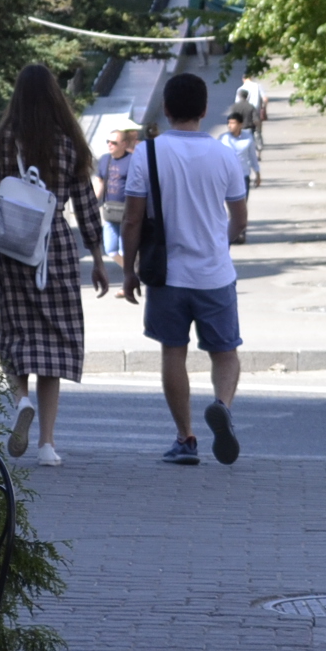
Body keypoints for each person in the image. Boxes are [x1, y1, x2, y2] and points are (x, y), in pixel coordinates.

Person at [0, 64, 109, 466]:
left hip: (12, 246)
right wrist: (98, 259)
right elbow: (85, 205)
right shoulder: (69, 143)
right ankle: (47, 444)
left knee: (16, 334)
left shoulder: (6, 139)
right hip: (56, 246)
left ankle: (20, 399)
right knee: (54, 343)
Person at [121, 72, 249, 467]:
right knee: (225, 353)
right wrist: (220, 243)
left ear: (167, 109)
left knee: (173, 353)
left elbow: (132, 219)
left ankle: (185, 438)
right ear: (205, 109)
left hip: (167, 275)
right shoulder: (225, 154)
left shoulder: (148, 153)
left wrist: (128, 271)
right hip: (215, 274)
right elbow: (240, 219)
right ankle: (222, 406)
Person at [94, 125, 139, 266]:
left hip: (128, 211)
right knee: (111, 250)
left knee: (125, 249)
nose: (109, 144)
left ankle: (130, 276)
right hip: (110, 211)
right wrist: (93, 202)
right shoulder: (105, 159)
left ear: (124, 144)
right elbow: (100, 182)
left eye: (114, 142)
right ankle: (132, 271)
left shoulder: (133, 160)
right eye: (108, 141)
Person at [220, 109, 261, 191]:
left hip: (243, 176)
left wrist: (257, 174)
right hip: (227, 177)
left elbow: (252, 157)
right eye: (228, 123)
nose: (229, 125)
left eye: (233, 123)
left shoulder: (248, 138)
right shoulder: (224, 139)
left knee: (243, 202)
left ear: (240, 125)